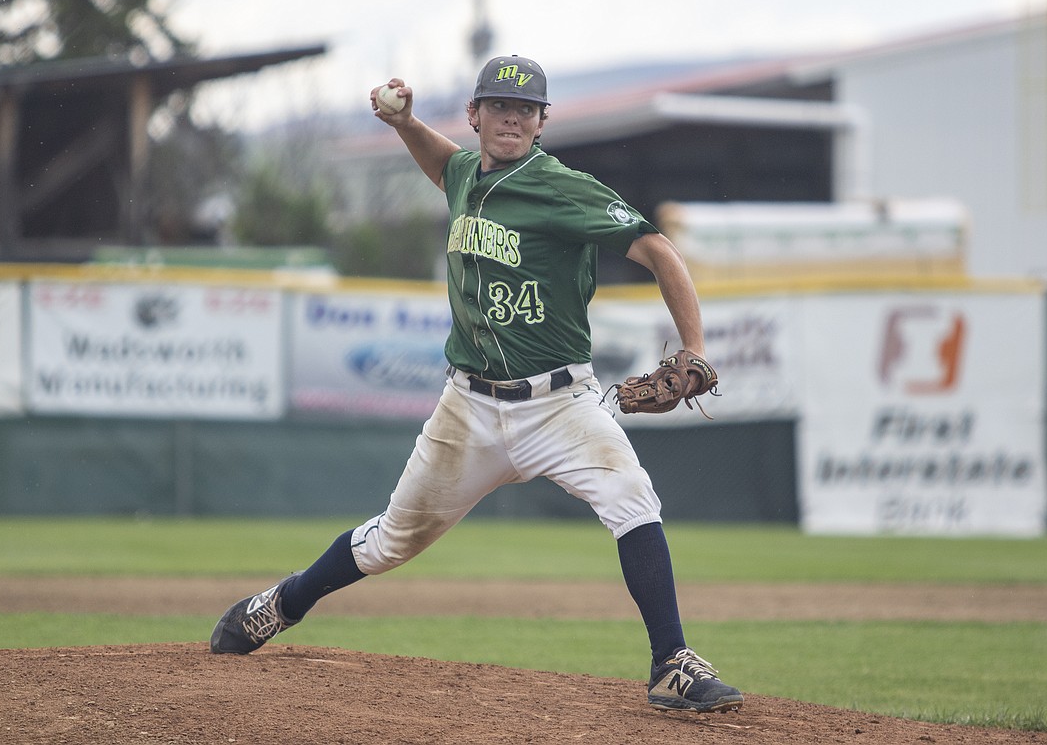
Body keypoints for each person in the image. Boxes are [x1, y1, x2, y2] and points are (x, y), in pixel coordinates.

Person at [210, 54, 744, 714]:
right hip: (469, 408)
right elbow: (443, 163)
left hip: (560, 405)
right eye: (499, 106)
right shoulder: (465, 172)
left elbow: (660, 251)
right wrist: (404, 122)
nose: (511, 118)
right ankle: (280, 605)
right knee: (389, 542)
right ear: (475, 114)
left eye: (525, 109)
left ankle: (672, 664)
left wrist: (692, 347)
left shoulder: (564, 189)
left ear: (542, 121)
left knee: (632, 498)